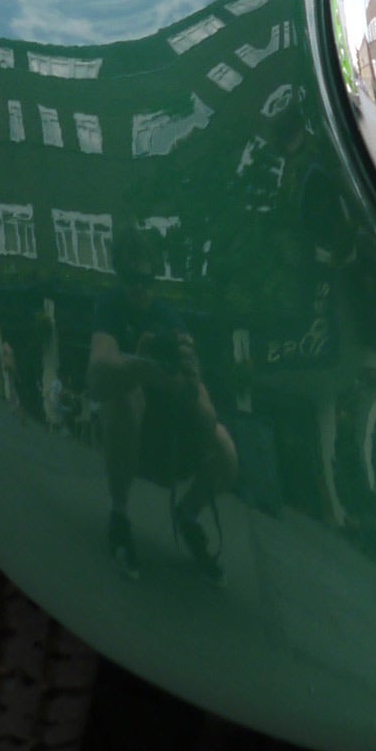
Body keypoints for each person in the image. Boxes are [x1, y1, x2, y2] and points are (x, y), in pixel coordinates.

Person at [88, 239, 236, 579]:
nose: (139, 288)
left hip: (168, 433)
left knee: (226, 450)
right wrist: (139, 364)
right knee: (122, 399)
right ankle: (120, 515)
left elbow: (207, 415)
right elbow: (96, 376)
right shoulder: (110, 305)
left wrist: (190, 377)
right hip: (128, 427)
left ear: (155, 279)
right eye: (131, 278)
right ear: (119, 275)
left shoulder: (170, 316)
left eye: (147, 280)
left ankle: (188, 515)